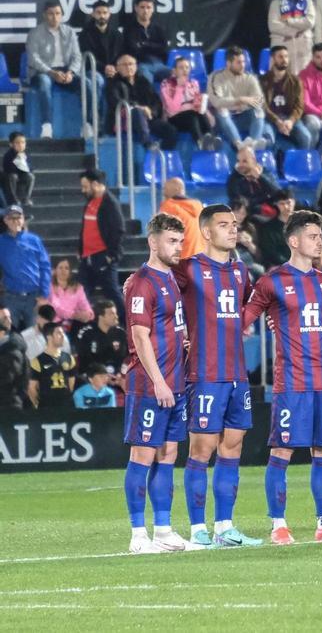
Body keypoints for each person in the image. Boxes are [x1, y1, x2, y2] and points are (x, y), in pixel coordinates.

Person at [241, 210, 322, 544]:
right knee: (282, 451)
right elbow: (244, 318)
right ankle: (278, 525)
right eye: (312, 235)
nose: (320, 240)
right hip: (291, 380)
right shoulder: (272, 281)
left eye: (320, 236)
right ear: (293, 241)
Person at [170, 204, 261, 548]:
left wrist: (251, 320)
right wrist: (177, 331)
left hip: (237, 373)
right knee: (202, 448)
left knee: (232, 447)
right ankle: (197, 530)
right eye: (224, 225)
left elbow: (250, 304)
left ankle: (225, 527)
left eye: (235, 224)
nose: (232, 230)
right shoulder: (188, 269)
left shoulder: (241, 272)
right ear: (206, 232)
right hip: (204, 373)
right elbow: (159, 296)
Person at [120, 213, 189, 554]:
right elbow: (140, 336)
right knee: (142, 454)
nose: (178, 247)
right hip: (150, 385)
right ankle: (138, 535)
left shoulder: (171, 280)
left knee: (168, 454)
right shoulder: (141, 282)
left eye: (180, 240)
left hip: (176, 383)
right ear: (153, 242)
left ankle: (163, 530)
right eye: (172, 241)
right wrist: (159, 382)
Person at [26, 1, 82, 140]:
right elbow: (33, 59)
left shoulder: (69, 32)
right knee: (44, 83)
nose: (54, 17)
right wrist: (51, 72)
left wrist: (71, 72)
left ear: (62, 15)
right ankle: (47, 126)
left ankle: (89, 125)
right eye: (51, 14)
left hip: (66, 72)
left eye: (58, 13)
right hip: (43, 72)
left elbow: (77, 56)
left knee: (87, 84)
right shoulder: (35, 33)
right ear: (45, 15)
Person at [78, 170, 125, 320]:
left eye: (85, 186)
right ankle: (87, 324)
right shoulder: (90, 201)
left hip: (102, 256)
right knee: (81, 292)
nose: (83, 190)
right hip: (87, 257)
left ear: (96, 185)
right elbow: (85, 227)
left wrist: (111, 256)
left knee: (112, 292)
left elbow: (119, 230)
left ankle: (129, 325)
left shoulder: (110, 203)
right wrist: (80, 249)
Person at [105, 55, 178, 150]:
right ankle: (147, 144)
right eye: (124, 65)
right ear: (117, 68)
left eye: (131, 64)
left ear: (136, 66)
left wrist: (151, 112)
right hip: (124, 120)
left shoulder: (143, 81)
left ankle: (162, 155)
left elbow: (155, 101)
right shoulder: (113, 83)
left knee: (171, 130)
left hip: (147, 118)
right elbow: (116, 102)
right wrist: (139, 107)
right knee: (137, 112)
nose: (128, 67)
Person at [209, 46, 268, 151]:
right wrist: (240, 100)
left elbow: (259, 101)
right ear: (228, 64)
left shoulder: (250, 77)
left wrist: (243, 105)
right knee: (222, 110)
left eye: (243, 62)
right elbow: (216, 102)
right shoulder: (216, 77)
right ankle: (239, 145)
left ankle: (252, 144)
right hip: (224, 121)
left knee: (259, 111)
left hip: (243, 117)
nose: (243, 66)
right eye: (239, 63)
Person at [0, 205, 49, 333]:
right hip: (10, 296)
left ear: (23, 219)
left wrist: (44, 294)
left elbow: (45, 266)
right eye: (12, 218)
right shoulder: (1, 242)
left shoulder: (34, 240)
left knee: (35, 335)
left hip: (33, 297)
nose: (16, 221)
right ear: (5, 220)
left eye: (19, 218)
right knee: (8, 336)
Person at [160, 56, 220, 151]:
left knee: (198, 113)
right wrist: (179, 87)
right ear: (174, 71)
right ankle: (200, 141)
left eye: (187, 67)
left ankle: (211, 139)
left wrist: (201, 105)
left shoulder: (193, 83)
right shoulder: (166, 84)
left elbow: (196, 104)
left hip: (192, 117)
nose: (185, 70)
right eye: (181, 67)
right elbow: (172, 109)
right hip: (173, 119)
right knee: (191, 114)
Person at [261, 46, 314, 151]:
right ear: (272, 59)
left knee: (306, 137)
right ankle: (270, 166)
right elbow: (262, 106)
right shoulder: (262, 81)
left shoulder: (296, 81)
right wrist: (276, 121)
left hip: (289, 118)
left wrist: (291, 121)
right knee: (268, 139)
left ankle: (299, 165)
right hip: (270, 119)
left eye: (286, 56)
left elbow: (299, 106)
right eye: (280, 57)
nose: (284, 60)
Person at [77, 0, 123, 116]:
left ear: (109, 14)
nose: (102, 16)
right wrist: (104, 68)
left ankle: (117, 124)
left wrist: (115, 68)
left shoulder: (117, 35)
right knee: (98, 80)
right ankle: (94, 120)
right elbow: (84, 58)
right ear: (93, 14)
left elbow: (121, 55)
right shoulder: (85, 35)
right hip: (92, 70)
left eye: (105, 12)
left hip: (113, 71)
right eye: (98, 13)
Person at [268, 0, 317, 74]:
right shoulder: (276, 3)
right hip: (282, 44)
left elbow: (309, 22)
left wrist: (289, 21)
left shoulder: (308, 1)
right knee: (281, 79)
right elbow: (273, 25)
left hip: (303, 47)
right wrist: (294, 32)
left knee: (303, 79)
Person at [75, 298, 126, 387]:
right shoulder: (87, 334)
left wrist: (121, 374)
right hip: (92, 378)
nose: (116, 316)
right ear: (101, 316)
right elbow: (84, 362)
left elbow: (127, 358)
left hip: (117, 377)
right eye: (111, 314)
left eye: (116, 313)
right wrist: (103, 376)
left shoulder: (121, 334)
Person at [123, 0, 170, 83]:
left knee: (175, 75)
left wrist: (144, 44)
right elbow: (134, 49)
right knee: (145, 76)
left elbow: (164, 48)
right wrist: (153, 47)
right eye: (142, 7)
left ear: (153, 9)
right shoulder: (129, 29)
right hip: (141, 64)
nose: (145, 11)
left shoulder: (158, 28)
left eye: (148, 7)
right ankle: (149, 97)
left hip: (159, 64)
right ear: (136, 8)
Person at [27, 321, 74, 410]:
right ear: (49, 336)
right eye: (59, 333)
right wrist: (37, 405)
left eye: (63, 333)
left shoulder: (69, 358)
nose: (63, 336)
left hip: (66, 406)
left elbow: (71, 383)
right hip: (47, 407)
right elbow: (32, 387)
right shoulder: (37, 361)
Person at [226, 146, 282, 213]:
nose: (240, 164)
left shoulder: (264, 172)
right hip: (248, 214)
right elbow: (239, 202)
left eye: (244, 161)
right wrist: (265, 197)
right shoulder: (234, 178)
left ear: (253, 160)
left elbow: (279, 193)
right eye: (238, 161)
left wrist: (260, 177)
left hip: (269, 210)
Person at [158, 178, 203, 259]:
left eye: (165, 189)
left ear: (176, 189)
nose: (163, 192)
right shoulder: (199, 206)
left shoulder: (169, 206)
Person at [50, 257, 93, 331]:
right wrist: (73, 315)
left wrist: (88, 314)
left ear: (70, 272)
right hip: (55, 322)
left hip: (74, 322)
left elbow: (84, 304)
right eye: (60, 268)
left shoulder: (78, 288)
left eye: (66, 268)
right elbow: (55, 307)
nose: (63, 270)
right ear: (54, 271)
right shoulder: (48, 287)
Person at [258, 189, 296, 269]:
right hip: (281, 266)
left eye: (288, 202)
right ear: (276, 205)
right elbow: (271, 253)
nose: (286, 207)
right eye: (282, 204)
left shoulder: (303, 225)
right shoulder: (268, 228)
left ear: (294, 202)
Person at [0, 308, 28, 413]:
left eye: (8, 317)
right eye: (4, 318)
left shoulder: (13, 347)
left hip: (8, 406)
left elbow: (7, 376)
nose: (9, 320)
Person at [1, 132, 33, 208]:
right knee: (13, 176)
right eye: (17, 143)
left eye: (23, 142)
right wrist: (18, 160)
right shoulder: (8, 155)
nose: (21, 145)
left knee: (31, 176)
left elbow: (31, 168)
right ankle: (14, 199)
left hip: (22, 174)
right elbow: (7, 169)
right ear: (11, 144)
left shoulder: (26, 154)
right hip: (10, 175)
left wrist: (24, 162)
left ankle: (26, 198)